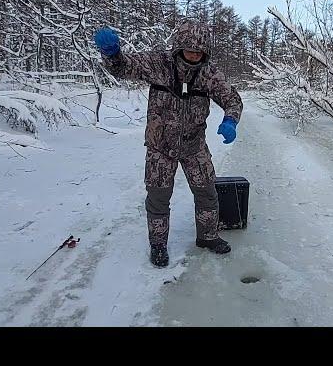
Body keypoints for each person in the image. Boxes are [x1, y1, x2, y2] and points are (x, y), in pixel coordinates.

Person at [94, 20, 243, 267]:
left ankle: (207, 236)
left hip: (194, 145)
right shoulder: (158, 64)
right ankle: (158, 245)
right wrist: (113, 54)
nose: (194, 54)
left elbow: (232, 99)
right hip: (160, 147)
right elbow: (124, 68)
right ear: (178, 47)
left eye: (199, 50)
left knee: (207, 193)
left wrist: (230, 120)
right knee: (158, 198)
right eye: (189, 49)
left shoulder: (209, 74)